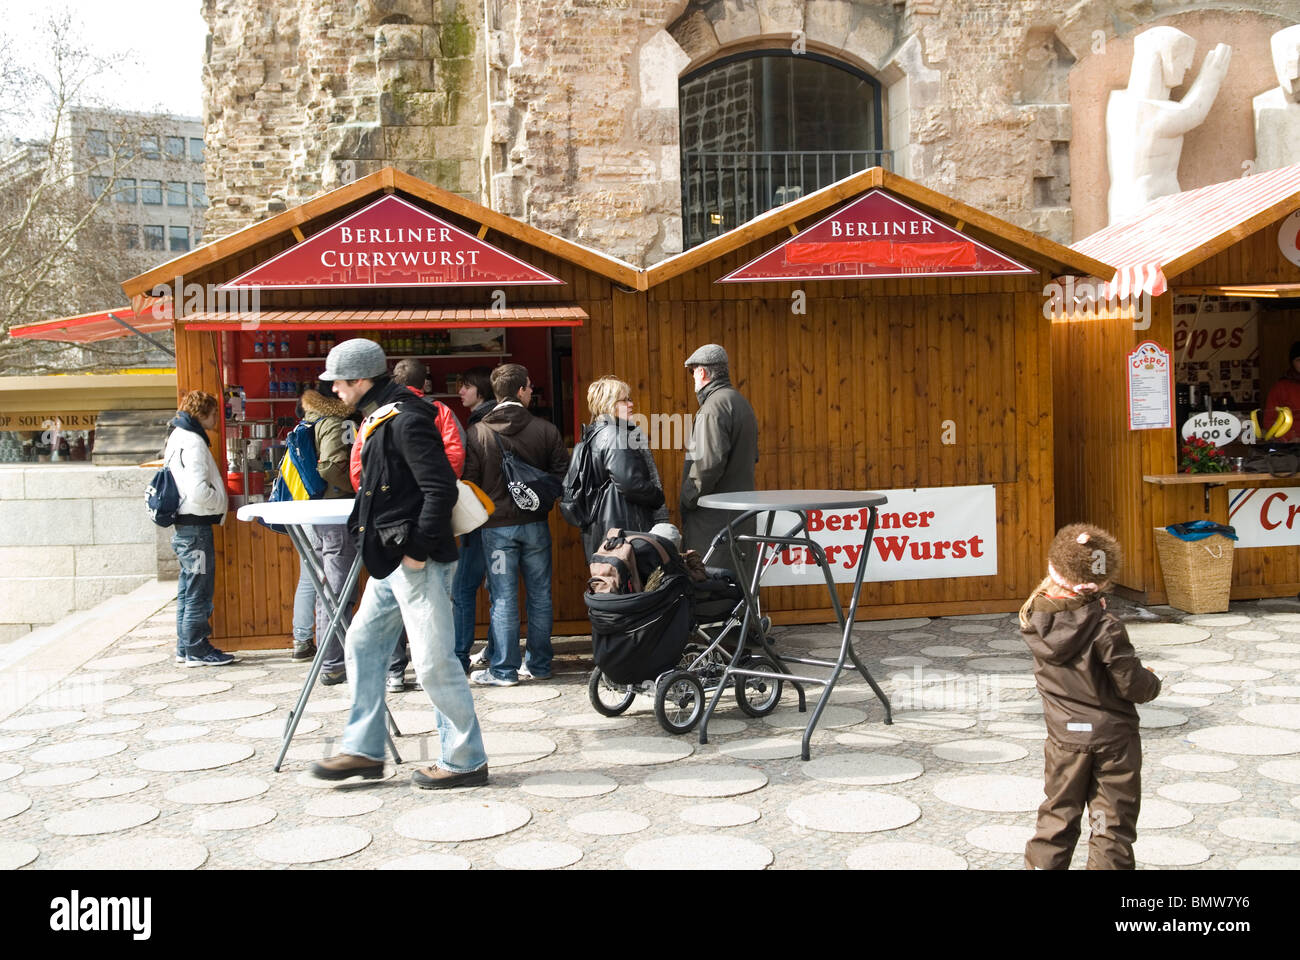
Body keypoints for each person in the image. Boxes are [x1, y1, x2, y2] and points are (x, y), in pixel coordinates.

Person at [310, 338, 488, 788]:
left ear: (362, 380)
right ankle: (365, 751)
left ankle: (466, 760)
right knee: (364, 645)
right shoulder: (382, 415)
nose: (334, 391)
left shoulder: (405, 419)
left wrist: (417, 550)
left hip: (414, 560)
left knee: (432, 663)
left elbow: (440, 489)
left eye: (339, 383)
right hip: (394, 560)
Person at [1019, 523, 1161, 870]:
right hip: (1113, 740)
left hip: (1065, 738)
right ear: (1104, 580)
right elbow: (1132, 685)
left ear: (1054, 569)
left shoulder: (1035, 618)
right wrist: (1153, 681)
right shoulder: (1106, 626)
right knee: (1110, 825)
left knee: (1057, 817)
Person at [462, 363, 569, 686]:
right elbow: (563, 477)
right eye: (530, 387)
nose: (532, 391)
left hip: (496, 529)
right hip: (536, 524)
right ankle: (539, 664)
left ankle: (504, 670)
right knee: (540, 595)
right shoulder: (546, 430)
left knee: (503, 598)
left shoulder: (477, 433)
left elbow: (468, 484)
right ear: (520, 390)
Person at [385, 357, 466, 691]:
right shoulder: (440, 412)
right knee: (433, 598)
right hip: (432, 516)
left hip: (389, 522)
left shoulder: (378, 414)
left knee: (392, 597)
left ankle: (394, 671)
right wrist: (429, 486)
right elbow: (456, 460)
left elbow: (358, 471)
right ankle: (430, 671)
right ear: (425, 382)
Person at [289, 389, 357, 681]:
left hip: (314, 510)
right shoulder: (337, 421)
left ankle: (328, 656)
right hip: (336, 511)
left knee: (325, 587)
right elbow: (330, 466)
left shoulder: (308, 420)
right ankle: (333, 662)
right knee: (338, 591)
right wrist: (355, 487)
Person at [164, 390, 235, 666]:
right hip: (196, 526)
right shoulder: (194, 442)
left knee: (187, 587)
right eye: (214, 412)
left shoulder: (177, 435)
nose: (217, 418)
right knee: (198, 589)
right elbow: (197, 491)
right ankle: (196, 648)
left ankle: (185, 647)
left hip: (185, 526)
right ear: (202, 413)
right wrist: (221, 501)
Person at [680, 344, 759, 574]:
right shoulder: (740, 402)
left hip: (713, 521)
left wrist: (687, 499)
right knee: (737, 586)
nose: (693, 378)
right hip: (739, 517)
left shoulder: (713, 408)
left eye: (692, 371)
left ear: (702, 373)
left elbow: (707, 465)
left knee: (711, 589)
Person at [573, 375, 669, 559]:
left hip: (606, 528)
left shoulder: (595, 432)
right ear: (608, 403)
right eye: (624, 400)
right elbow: (629, 483)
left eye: (630, 398)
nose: (631, 404)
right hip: (622, 529)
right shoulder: (614, 435)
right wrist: (657, 496)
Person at [456, 366, 497, 673]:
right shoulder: (498, 420)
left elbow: (470, 476)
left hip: (481, 517)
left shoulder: (476, 426)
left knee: (463, 589)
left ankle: (459, 655)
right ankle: (496, 650)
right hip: (504, 517)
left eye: (465, 386)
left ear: (480, 391)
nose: (460, 392)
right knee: (498, 590)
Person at [1263, 340, 1300, 442]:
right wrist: (1290, 437)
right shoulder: (1281, 387)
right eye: (1299, 360)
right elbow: (1269, 421)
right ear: (1292, 363)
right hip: (1291, 445)